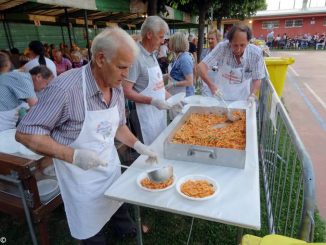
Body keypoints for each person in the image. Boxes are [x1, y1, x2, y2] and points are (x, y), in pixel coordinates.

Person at [15, 27, 158, 245]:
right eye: (122, 67)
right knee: (90, 226)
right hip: (79, 176)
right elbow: (25, 132)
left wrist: (138, 145)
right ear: (101, 58)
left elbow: (118, 125)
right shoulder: (65, 88)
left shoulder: (116, 85)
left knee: (116, 199)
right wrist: (72, 155)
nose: (127, 75)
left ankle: (125, 228)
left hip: (108, 162)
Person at [123, 16, 172, 145]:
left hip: (158, 113)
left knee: (160, 144)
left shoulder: (152, 54)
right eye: (160, 37)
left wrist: (174, 100)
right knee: (148, 151)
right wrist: (152, 101)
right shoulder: (136, 57)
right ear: (149, 35)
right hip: (144, 115)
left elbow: (158, 86)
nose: (162, 41)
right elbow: (126, 91)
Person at [198, 24, 265, 103]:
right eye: (235, 45)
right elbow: (200, 67)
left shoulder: (255, 53)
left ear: (248, 41)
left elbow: (257, 78)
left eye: (242, 45)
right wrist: (211, 85)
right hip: (220, 97)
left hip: (242, 99)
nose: (238, 49)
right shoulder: (222, 48)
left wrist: (253, 94)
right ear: (229, 42)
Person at [0, 54, 53, 131]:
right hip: (3, 124)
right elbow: (37, 108)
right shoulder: (24, 79)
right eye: (46, 83)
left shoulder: (18, 76)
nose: (45, 87)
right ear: (38, 77)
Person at [199, 28, 222, 97]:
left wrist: (211, 68)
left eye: (212, 39)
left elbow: (222, 69)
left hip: (218, 85)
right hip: (206, 85)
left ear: (217, 39)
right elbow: (201, 68)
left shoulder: (222, 53)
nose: (210, 41)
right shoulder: (204, 52)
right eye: (208, 39)